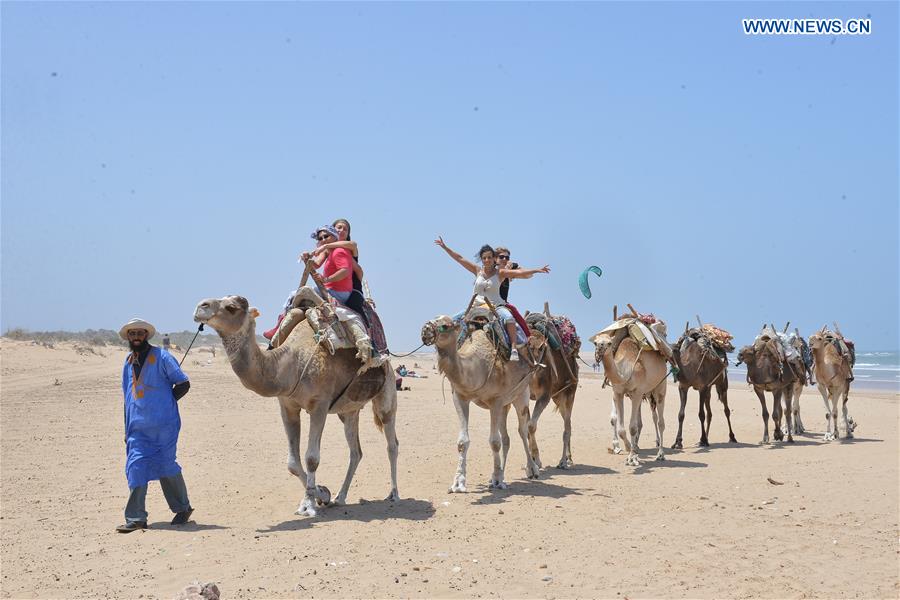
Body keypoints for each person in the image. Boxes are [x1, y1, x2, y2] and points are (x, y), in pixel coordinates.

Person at [117, 318, 193, 533]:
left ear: (146, 335)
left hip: (164, 426)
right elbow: (128, 397)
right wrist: (126, 427)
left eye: (140, 333)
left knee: (166, 466)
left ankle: (183, 508)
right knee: (136, 467)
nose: (136, 337)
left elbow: (183, 383)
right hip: (137, 429)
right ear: (129, 337)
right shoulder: (128, 362)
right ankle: (136, 518)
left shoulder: (162, 357)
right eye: (132, 334)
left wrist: (166, 404)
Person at [434, 237, 550, 360]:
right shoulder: (477, 270)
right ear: (482, 260)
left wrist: (537, 270)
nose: (487, 260)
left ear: (493, 258)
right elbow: (460, 258)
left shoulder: (500, 273)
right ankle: (442, 347)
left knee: (509, 318)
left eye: (489, 257)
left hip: (495, 306)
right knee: (450, 322)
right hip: (475, 307)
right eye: (484, 258)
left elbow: (520, 273)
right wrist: (445, 247)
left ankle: (514, 349)